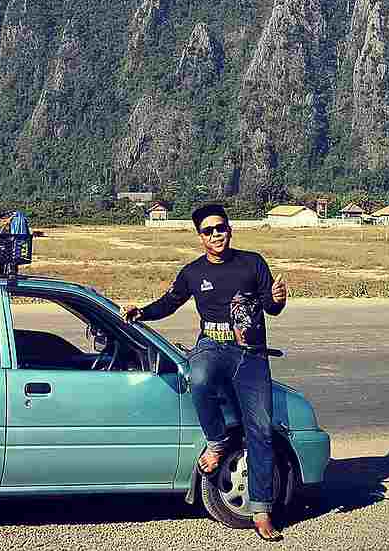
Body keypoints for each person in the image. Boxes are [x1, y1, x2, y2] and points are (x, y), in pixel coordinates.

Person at [122, 203, 288, 542]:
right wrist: (141, 311)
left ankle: (260, 510)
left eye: (221, 228)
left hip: (250, 354)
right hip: (212, 346)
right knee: (196, 377)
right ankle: (216, 442)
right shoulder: (193, 273)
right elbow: (168, 302)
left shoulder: (252, 263)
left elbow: (271, 307)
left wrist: (279, 298)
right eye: (209, 231)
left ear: (230, 229)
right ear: (200, 237)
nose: (217, 235)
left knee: (260, 430)